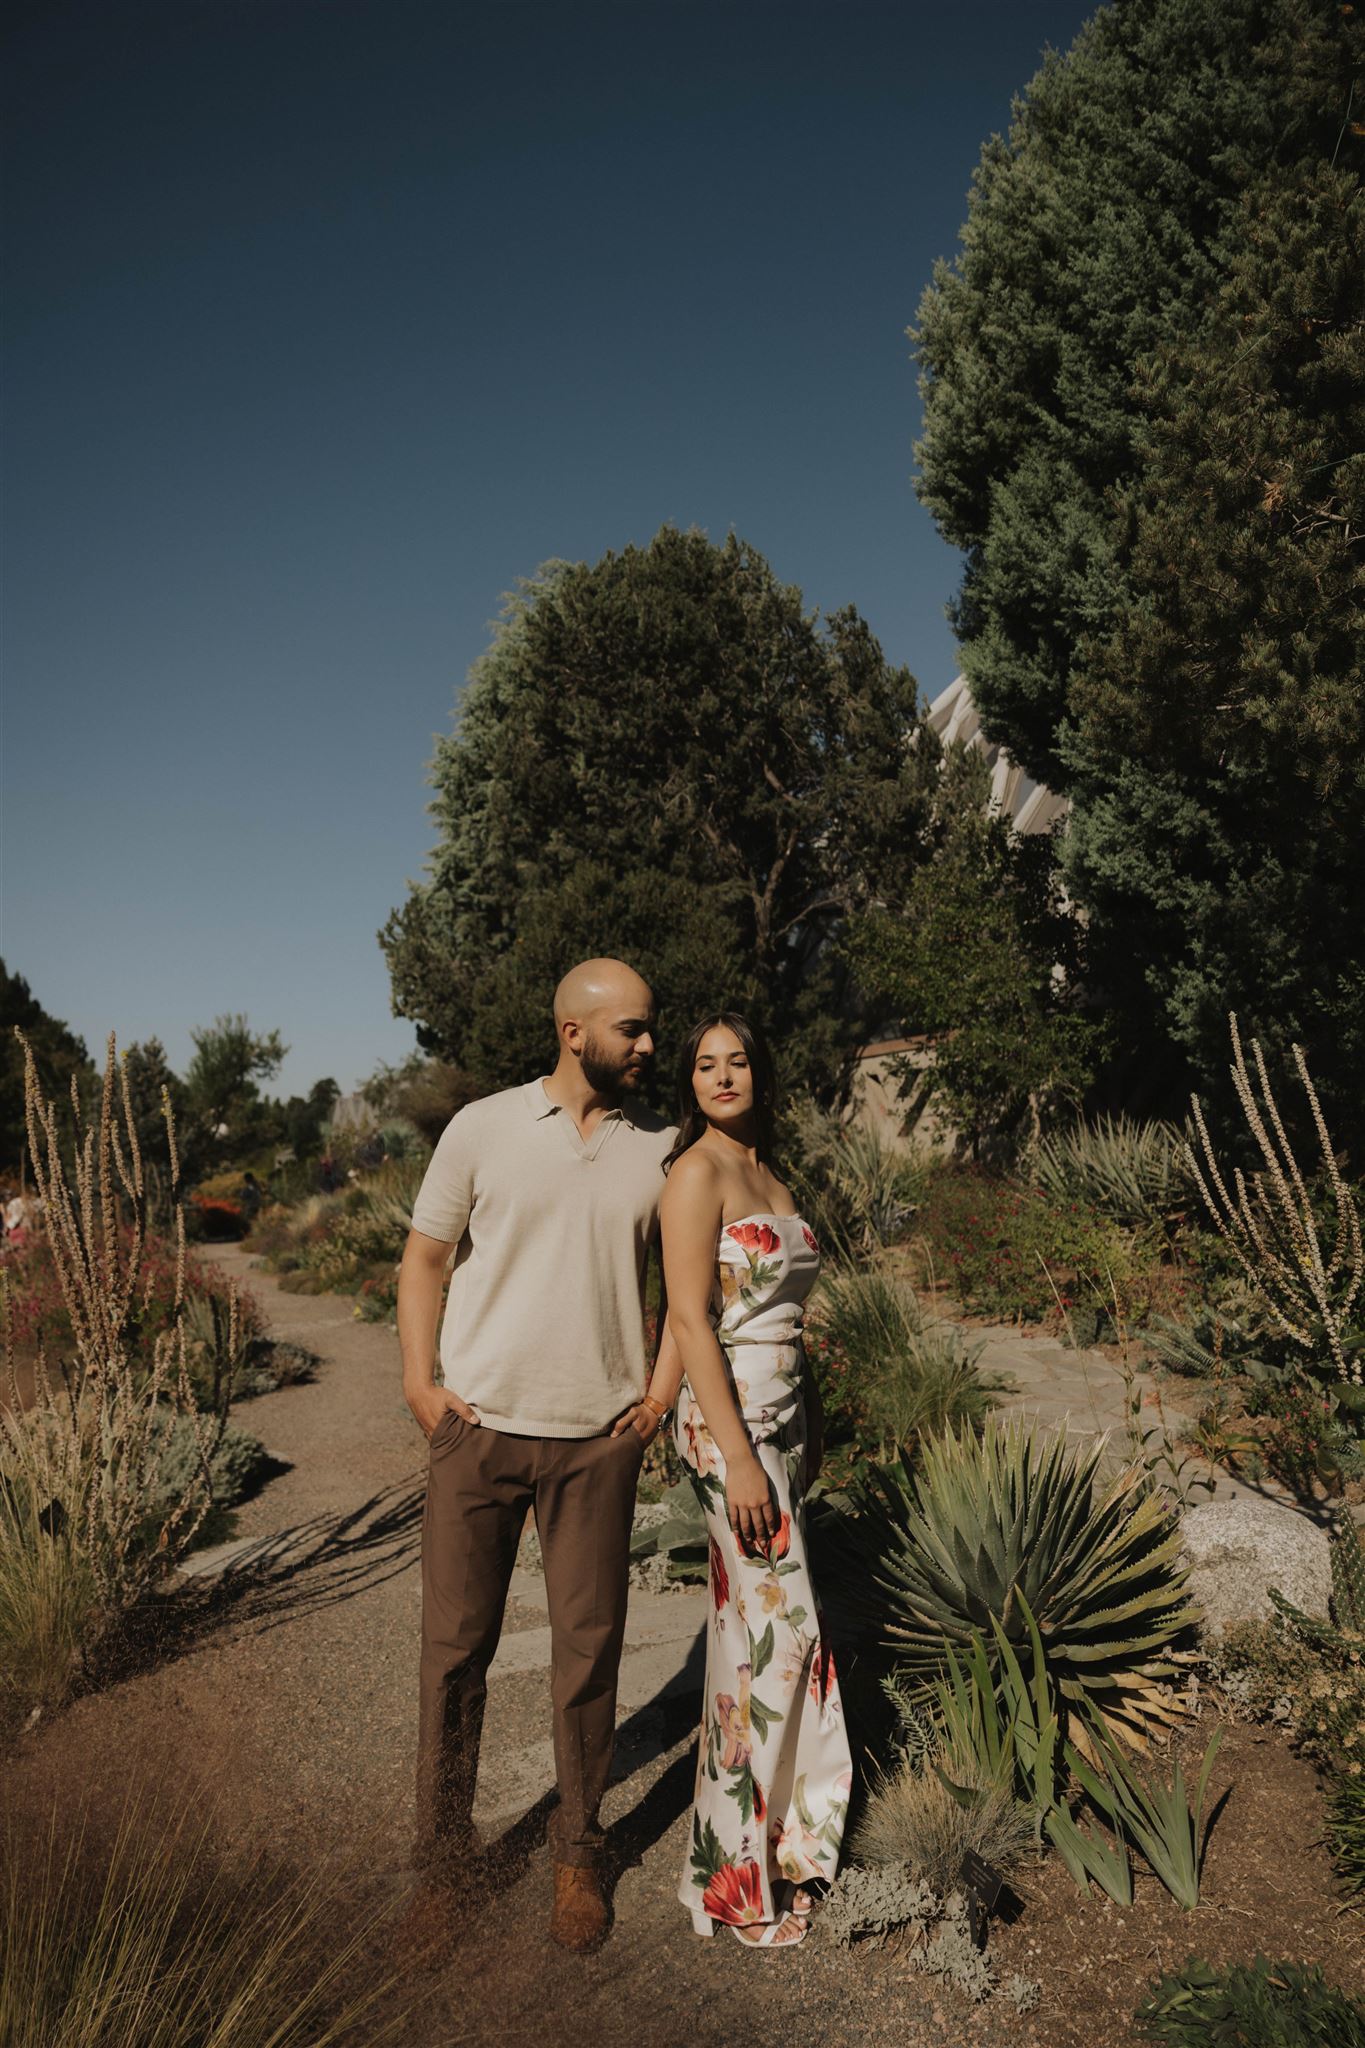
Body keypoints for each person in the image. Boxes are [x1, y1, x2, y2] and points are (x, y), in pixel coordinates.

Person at [397, 957, 673, 1955]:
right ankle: (441, 1867)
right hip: (477, 1433)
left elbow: (691, 1290)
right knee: (452, 1655)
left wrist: (660, 1395)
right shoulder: (483, 1126)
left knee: (587, 1656)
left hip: (597, 1442)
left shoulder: (664, 1149)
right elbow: (425, 1257)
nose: (650, 1045)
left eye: (651, 1030)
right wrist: (421, 1386)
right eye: (632, 1029)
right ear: (573, 1029)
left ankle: (574, 1853)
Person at [644, 1012, 851, 1948]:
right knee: (773, 1636)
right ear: (687, 1082)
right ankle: (732, 1881)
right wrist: (731, 1455)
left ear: (760, 1072)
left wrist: (797, 1435)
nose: (720, 1076)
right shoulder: (694, 1175)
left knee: (772, 1635)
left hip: (780, 1421)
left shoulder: (767, 1172)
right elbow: (687, 1318)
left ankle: (786, 1850)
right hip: (732, 1430)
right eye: (702, 1064)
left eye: (736, 1061)